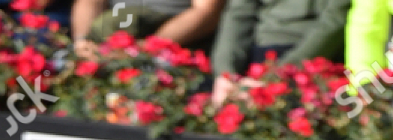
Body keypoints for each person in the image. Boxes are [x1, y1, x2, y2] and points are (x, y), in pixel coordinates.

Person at [210, 0, 349, 101]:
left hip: (313, 59)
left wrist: (280, 75)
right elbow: (238, 14)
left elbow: (335, 20)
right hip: (255, 55)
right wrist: (226, 74)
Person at [72, 0, 225, 53]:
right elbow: (89, 2)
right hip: (107, 44)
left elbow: (207, 12)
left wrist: (145, 48)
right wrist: (83, 42)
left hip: (176, 47)